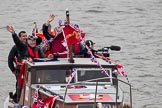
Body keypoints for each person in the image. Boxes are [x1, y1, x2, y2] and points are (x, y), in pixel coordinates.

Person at [6, 25, 45, 102]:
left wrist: (48, 58)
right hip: (21, 70)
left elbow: (42, 59)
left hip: (34, 71)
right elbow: (10, 58)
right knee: (20, 85)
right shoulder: (22, 47)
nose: (33, 42)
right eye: (31, 41)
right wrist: (13, 33)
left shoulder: (38, 49)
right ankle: (18, 100)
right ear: (28, 41)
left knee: (35, 86)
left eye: (34, 41)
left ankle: (35, 99)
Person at [8, 31, 27, 102]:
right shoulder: (15, 47)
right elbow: (10, 59)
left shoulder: (29, 45)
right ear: (19, 37)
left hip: (28, 69)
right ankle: (18, 99)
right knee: (19, 83)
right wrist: (13, 70)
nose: (25, 37)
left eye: (26, 36)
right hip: (19, 70)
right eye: (23, 36)